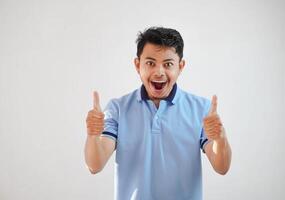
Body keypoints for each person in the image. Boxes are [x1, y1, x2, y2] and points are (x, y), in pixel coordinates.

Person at [85, 27, 232, 200]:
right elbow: (95, 165)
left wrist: (220, 139)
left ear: (181, 66)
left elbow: (221, 167)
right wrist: (93, 136)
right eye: (150, 63)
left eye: (168, 64)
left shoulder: (202, 109)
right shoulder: (118, 109)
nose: (159, 72)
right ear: (138, 65)